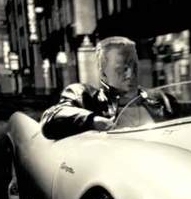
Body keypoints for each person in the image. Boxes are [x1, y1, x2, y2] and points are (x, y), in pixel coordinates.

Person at [40, 36, 173, 139]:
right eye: (121, 69)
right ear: (103, 73)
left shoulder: (160, 100)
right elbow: (51, 118)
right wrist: (93, 121)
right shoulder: (86, 98)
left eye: (134, 66)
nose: (130, 74)